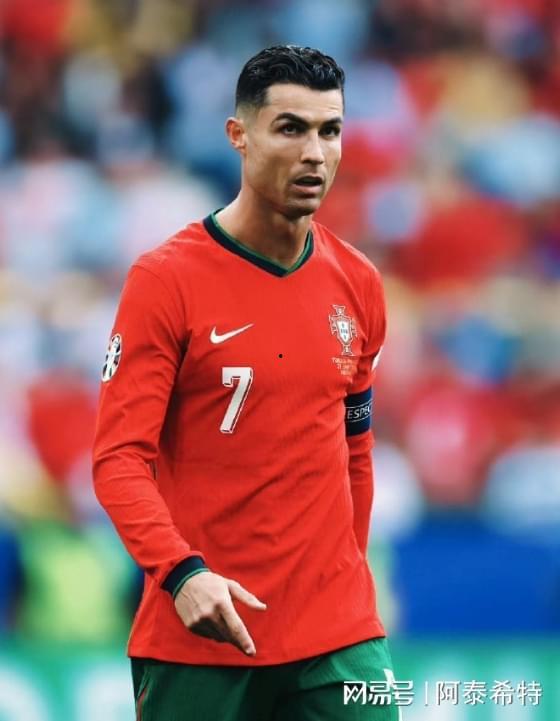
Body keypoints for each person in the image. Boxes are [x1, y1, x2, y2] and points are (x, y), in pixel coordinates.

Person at [93, 45, 397, 721]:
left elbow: (355, 448)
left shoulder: (359, 284)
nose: (314, 153)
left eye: (330, 130)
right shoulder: (166, 281)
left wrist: (351, 583)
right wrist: (181, 573)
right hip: (202, 634)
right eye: (291, 128)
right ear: (240, 135)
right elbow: (118, 459)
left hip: (337, 635)